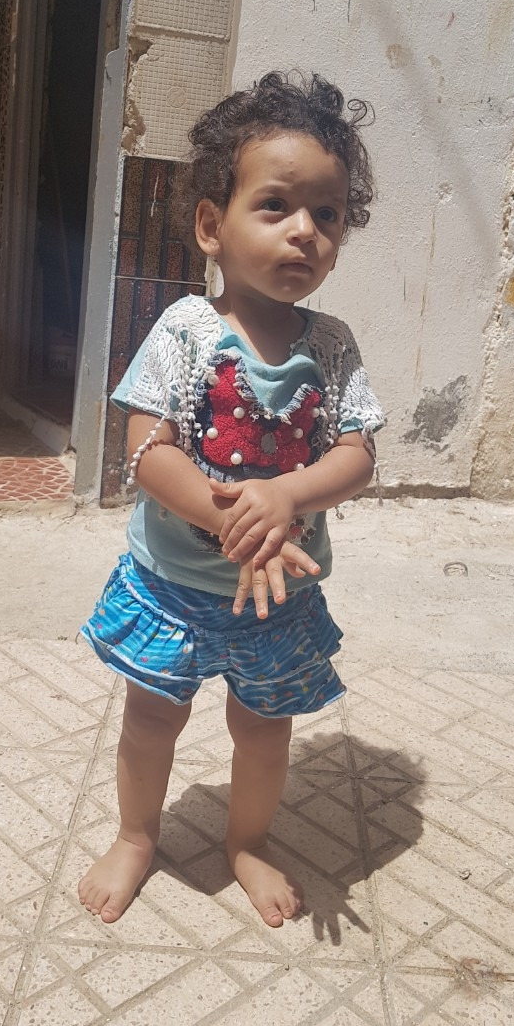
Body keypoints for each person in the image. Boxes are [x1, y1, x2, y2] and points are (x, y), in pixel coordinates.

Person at [78, 72, 384, 928]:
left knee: (263, 730)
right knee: (151, 720)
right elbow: (147, 450)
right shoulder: (185, 329)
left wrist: (286, 493)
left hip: (278, 601)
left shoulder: (332, 346)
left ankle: (247, 842)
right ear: (212, 225)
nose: (305, 231)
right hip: (173, 588)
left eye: (327, 214)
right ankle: (136, 835)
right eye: (276, 205)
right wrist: (234, 521)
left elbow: (358, 454)